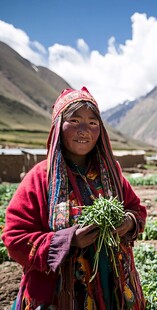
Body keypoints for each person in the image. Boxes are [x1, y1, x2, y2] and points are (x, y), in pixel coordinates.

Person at [2, 87, 147, 310]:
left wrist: (127, 222)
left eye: (92, 123)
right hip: (58, 295)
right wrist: (68, 241)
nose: (84, 131)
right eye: (75, 120)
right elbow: (15, 238)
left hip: (113, 288)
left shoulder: (111, 173)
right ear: (59, 125)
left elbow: (136, 210)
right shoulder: (40, 178)